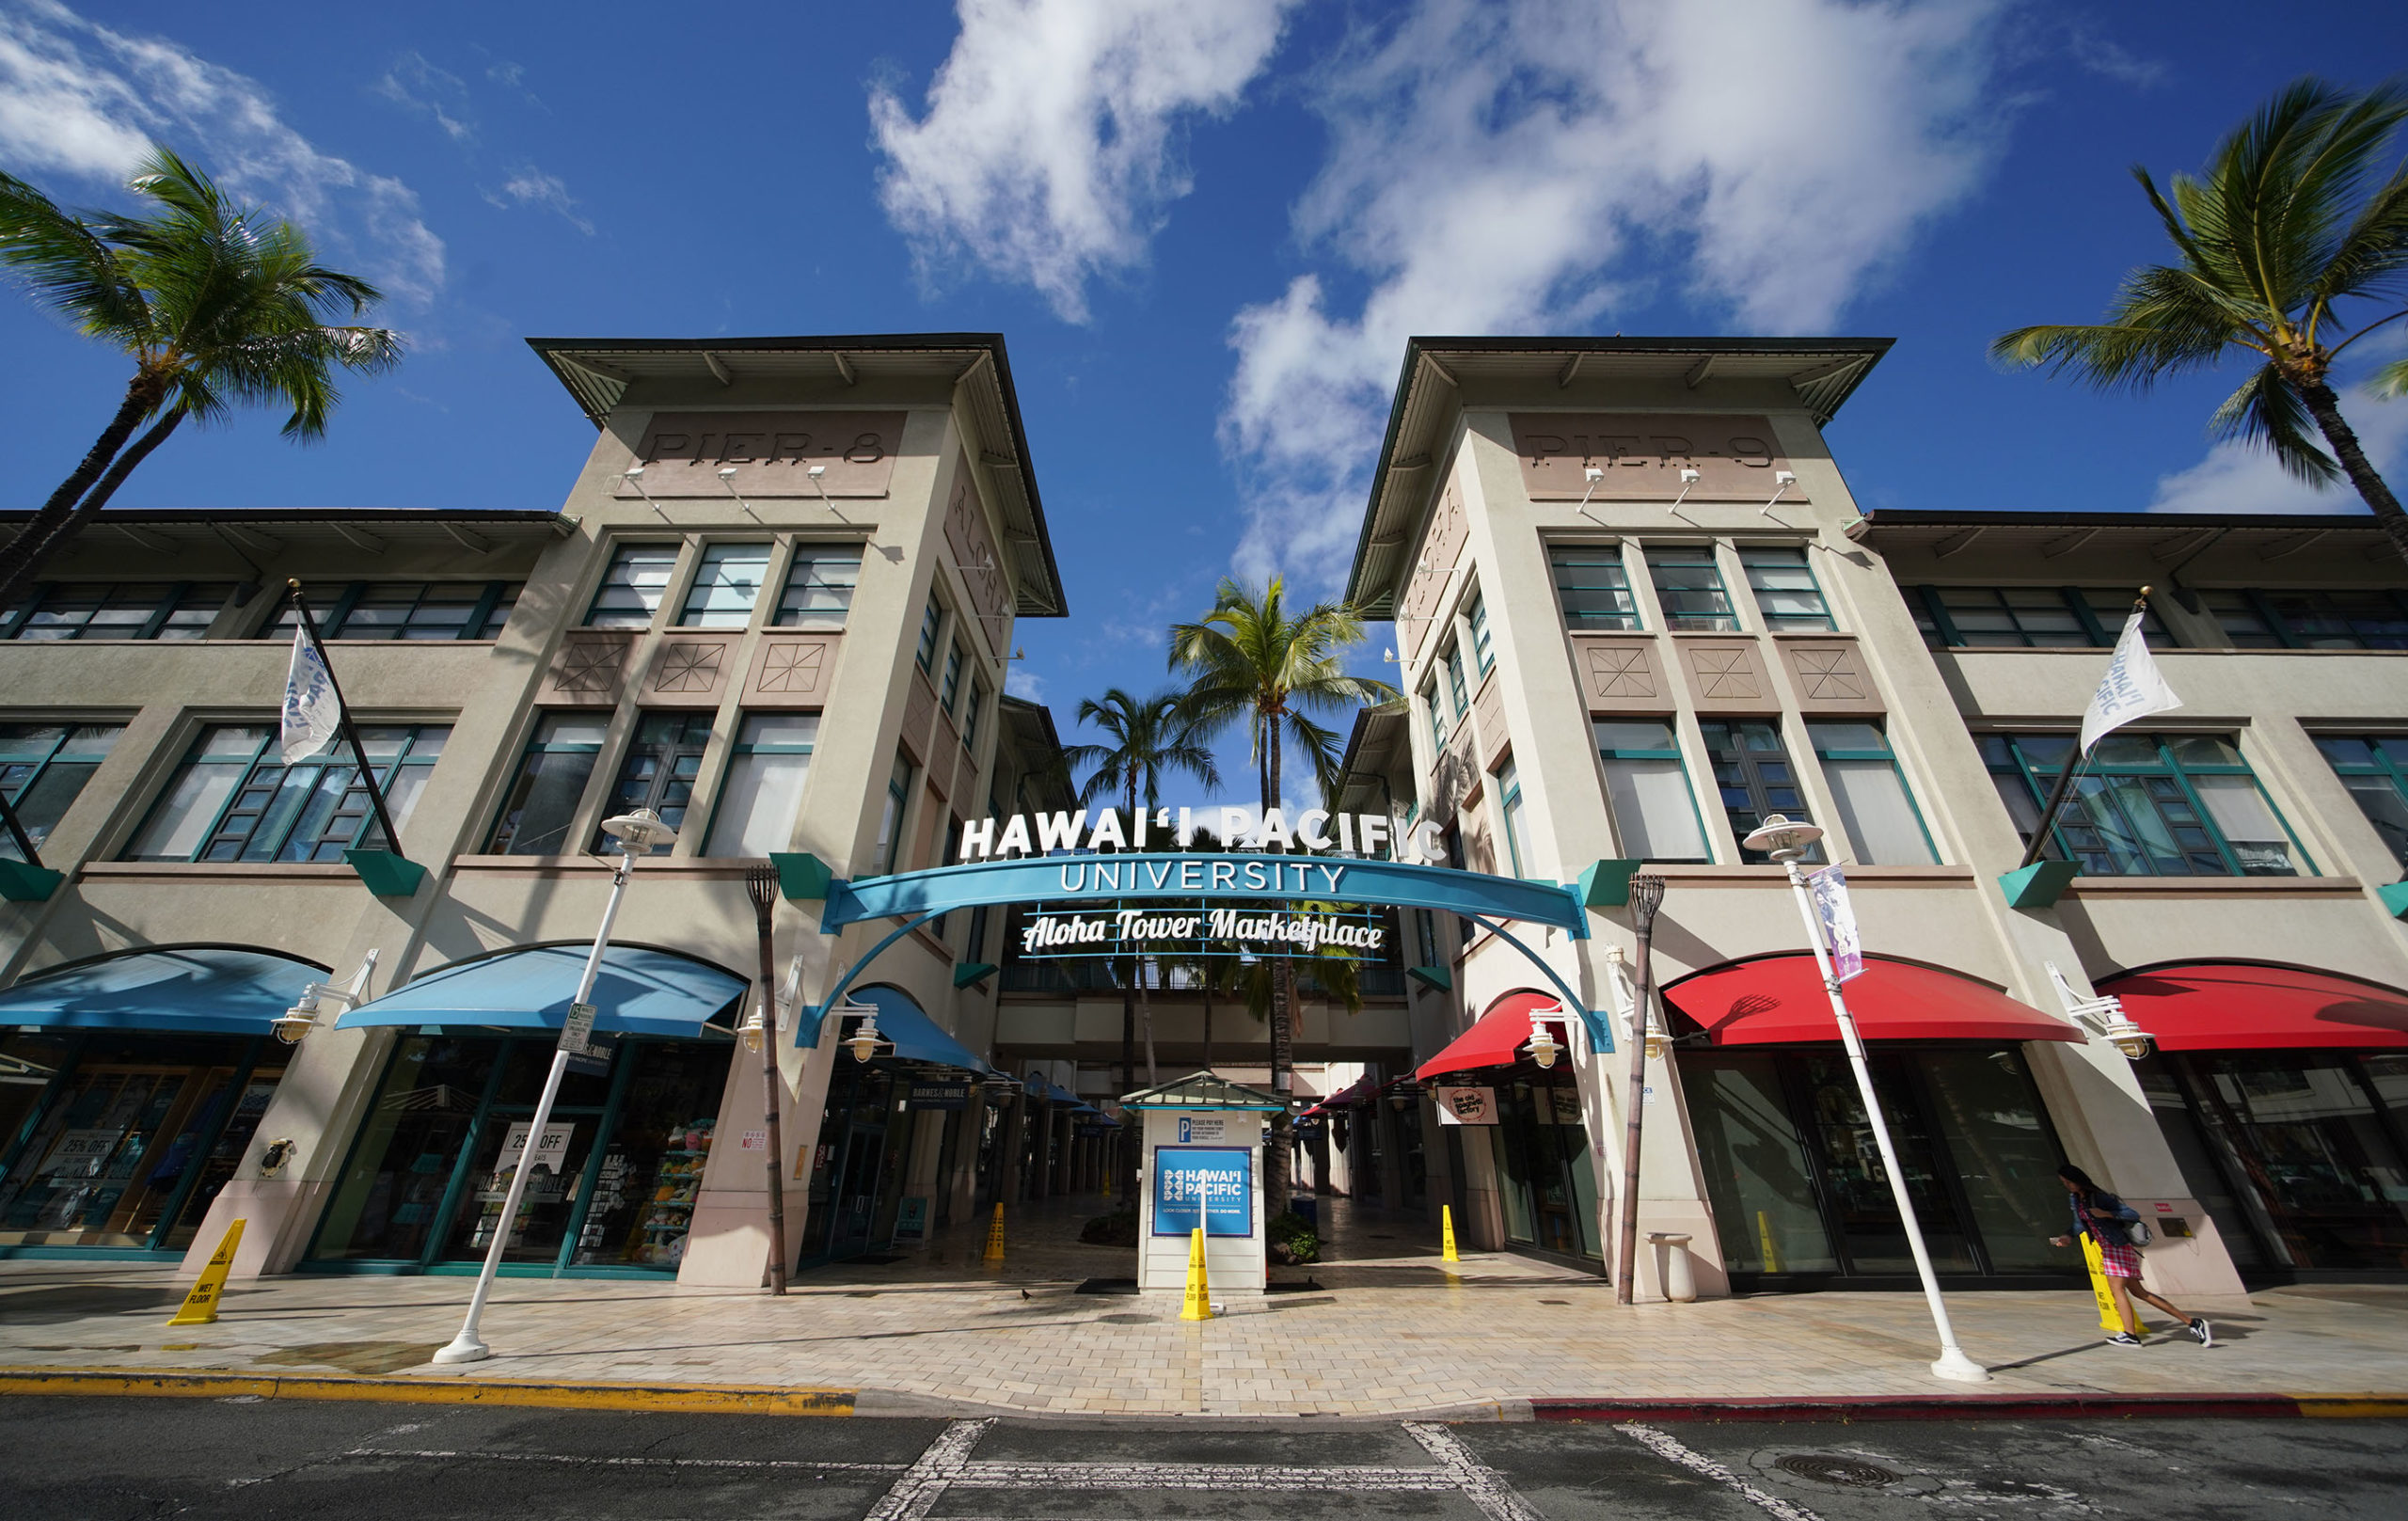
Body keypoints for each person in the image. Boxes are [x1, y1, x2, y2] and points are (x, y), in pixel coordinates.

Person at [2050, 1165, 2211, 1348]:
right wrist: (2067, 1236)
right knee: (2139, 1293)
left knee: (2116, 1289)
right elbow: (2079, 1223)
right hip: (2107, 1248)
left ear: (2078, 1179)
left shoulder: (2099, 1197)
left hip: (2117, 1246)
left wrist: (2107, 1214)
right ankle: (2193, 1323)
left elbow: (2132, 1214)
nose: (2067, 1185)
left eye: (2069, 1181)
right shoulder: (2076, 1200)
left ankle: (2130, 1335)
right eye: (2064, 1182)